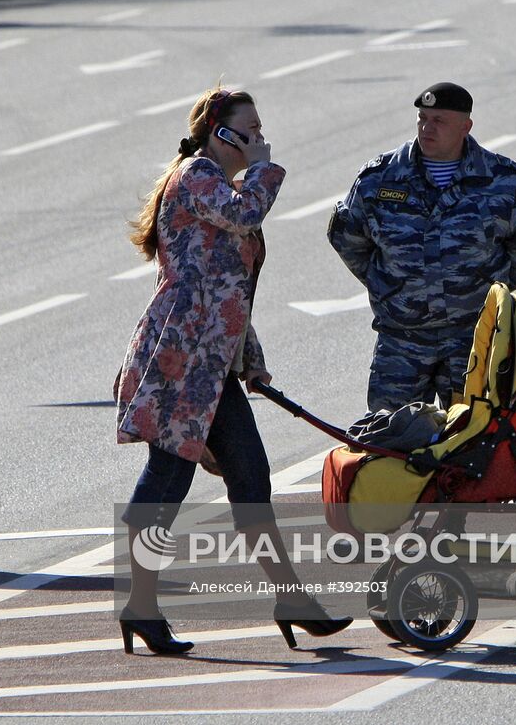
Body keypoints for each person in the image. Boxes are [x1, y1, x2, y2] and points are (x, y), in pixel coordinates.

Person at [115, 88, 352, 655]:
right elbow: (245, 214)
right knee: (166, 483)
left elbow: (230, 289)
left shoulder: (220, 185)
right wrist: (266, 168)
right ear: (222, 132)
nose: (260, 135)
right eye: (251, 127)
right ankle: (140, 606)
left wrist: (251, 359)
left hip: (212, 360)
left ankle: (290, 599)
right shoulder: (197, 177)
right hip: (181, 355)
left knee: (251, 478)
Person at [327, 83, 516, 412]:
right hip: (401, 342)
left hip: (473, 339)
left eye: (439, 121)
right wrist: (393, 286)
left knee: (477, 440)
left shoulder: (501, 180)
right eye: (422, 118)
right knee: (391, 440)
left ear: (465, 127)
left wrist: (486, 288)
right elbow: (349, 239)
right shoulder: (380, 179)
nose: (426, 128)